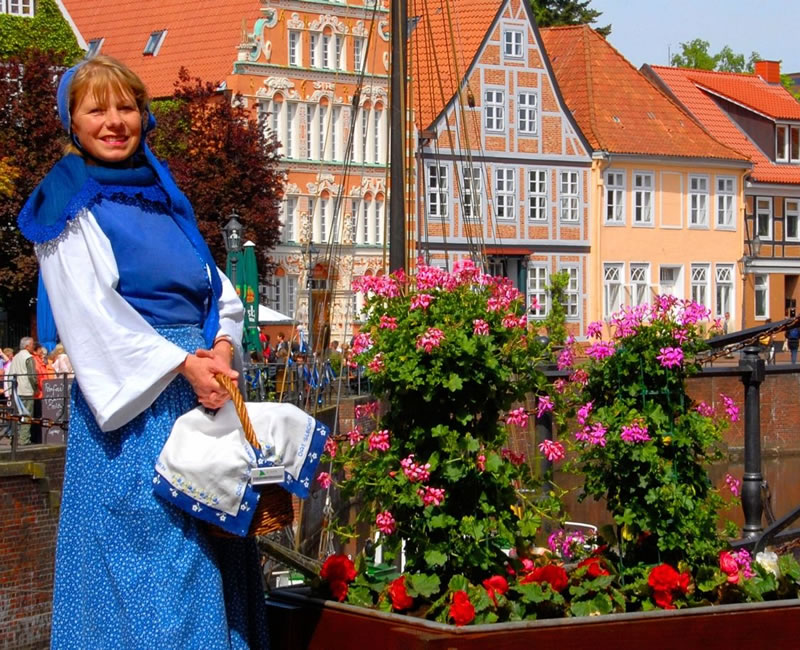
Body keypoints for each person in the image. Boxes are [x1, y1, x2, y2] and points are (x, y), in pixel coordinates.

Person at [17, 56, 267, 648]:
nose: (113, 121)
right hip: (136, 414)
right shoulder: (64, 200)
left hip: (203, 391)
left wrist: (223, 348)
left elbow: (216, 287)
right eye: (95, 109)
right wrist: (183, 364)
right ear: (71, 121)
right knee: (151, 564)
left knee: (215, 539)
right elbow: (91, 316)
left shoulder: (160, 190)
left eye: (125, 107)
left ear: (143, 116)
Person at [6, 336, 36, 445]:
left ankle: (15, 438)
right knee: (26, 415)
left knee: (17, 416)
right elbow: (32, 376)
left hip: (15, 390)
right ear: (27, 346)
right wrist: (36, 387)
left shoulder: (16, 357)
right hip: (26, 390)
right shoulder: (28, 357)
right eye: (32, 344)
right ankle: (24, 440)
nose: (34, 346)